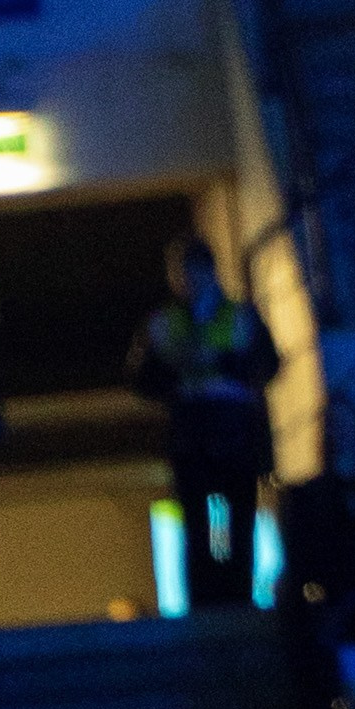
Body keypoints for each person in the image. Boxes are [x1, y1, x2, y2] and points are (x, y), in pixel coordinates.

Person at [128, 236, 280, 609]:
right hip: (191, 434)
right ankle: (204, 601)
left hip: (234, 432)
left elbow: (268, 363)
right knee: (197, 526)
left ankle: (239, 598)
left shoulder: (241, 316)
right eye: (181, 274)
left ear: (210, 272)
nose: (187, 281)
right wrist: (177, 374)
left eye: (193, 272)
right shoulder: (162, 323)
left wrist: (222, 361)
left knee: (239, 521)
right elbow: (140, 378)